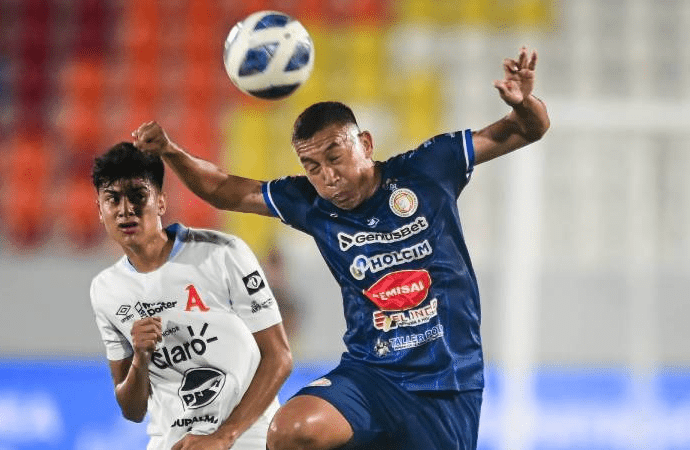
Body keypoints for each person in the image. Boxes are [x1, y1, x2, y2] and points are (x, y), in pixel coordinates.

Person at [132, 47, 550, 449]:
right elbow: (224, 190)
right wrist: (171, 151)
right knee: (292, 430)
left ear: (365, 144)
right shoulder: (311, 204)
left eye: (335, 157)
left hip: (445, 380)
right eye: (312, 167)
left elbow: (527, 129)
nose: (328, 177)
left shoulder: (428, 169)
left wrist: (524, 103)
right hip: (370, 375)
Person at [89, 142, 293, 450]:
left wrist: (224, 435)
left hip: (244, 438)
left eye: (138, 196)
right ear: (100, 210)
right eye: (112, 199)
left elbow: (279, 357)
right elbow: (132, 410)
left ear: (161, 202)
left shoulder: (223, 253)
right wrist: (140, 358)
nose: (125, 209)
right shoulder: (106, 290)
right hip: (172, 443)